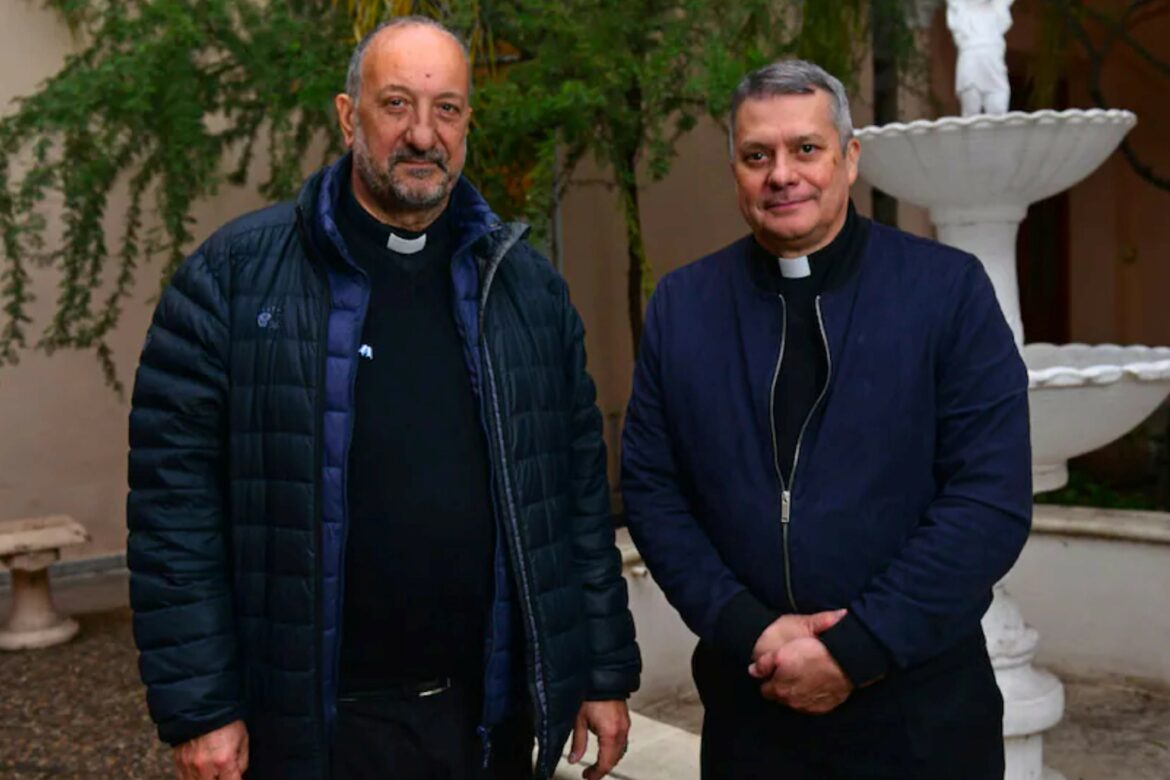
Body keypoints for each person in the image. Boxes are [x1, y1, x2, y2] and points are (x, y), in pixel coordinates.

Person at [127, 17, 639, 780]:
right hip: (317, 726)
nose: (423, 135)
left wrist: (599, 671)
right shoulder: (232, 281)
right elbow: (174, 512)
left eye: (448, 110)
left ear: (468, 122)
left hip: (485, 716)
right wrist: (201, 708)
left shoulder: (526, 290)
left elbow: (572, 498)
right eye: (396, 104)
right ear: (347, 115)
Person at [621, 59, 1031, 779]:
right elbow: (654, 490)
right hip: (753, 710)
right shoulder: (684, 308)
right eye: (758, 156)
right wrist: (749, 629)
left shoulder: (947, 292)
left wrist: (858, 647)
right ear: (737, 171)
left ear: (848, 159)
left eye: (806, 148)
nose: (783, 174)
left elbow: (988, 499)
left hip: (921, 718)